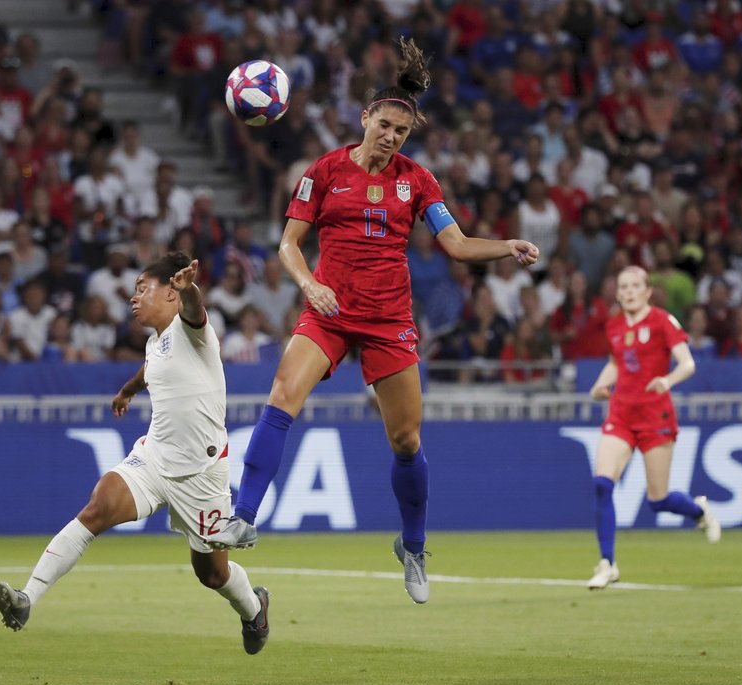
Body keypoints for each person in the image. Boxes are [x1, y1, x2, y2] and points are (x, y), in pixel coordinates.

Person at [205, 39, 539, 605]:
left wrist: (504, 245)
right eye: (384, 125)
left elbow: (454, 245)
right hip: (328, 312)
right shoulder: (325, 171)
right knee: (282, 393)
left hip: (389, 319)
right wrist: (310, 285)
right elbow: (288, 245)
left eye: (401, 132)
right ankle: (243, 516)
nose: (390, 138)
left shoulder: (419, 180)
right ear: (365, 118)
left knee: (406, 440)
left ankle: (412, 545)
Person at [0, 253, 270, 654]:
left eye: (143, 290)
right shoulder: (155, 340)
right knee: (98, 506)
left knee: (211, 573)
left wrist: (188, 287)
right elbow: (150, 368)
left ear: (171, 294)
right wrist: (128, 390)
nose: (133, 298)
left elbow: (195, 308)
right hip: (155, 457)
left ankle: (253, 609)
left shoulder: (195, 330)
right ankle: (27, 598)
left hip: (202, 471)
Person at [586, 266, 721, 590]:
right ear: (617, 294)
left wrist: (667, 380)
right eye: (623, 286)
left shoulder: (662, 320)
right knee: (603, 484)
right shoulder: (614, 326)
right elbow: (616, 363)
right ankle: (608, 564)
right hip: (621, 413)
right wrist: (598, 387)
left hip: (655, 417)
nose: (629, 291)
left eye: (635, 286)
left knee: (657, 499)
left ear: (647, 291)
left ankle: (699, 512)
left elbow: (688, 363)